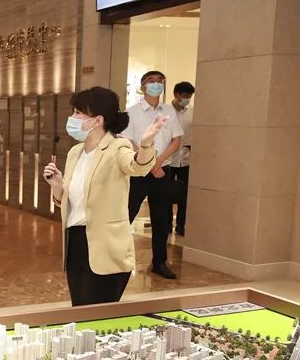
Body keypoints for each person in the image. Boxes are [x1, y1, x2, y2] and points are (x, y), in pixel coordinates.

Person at [43, 87, 165, 306]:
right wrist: (58, 186)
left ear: (97, 120)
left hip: (106, 248)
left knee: (96, 315)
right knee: (79, 310)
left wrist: (146, 144)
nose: (72, 118)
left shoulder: (117, 147)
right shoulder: (75, 153)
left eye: (78, 113)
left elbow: (137, 166)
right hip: (75, 243)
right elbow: (70, 203)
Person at [122, 71, 183, 280]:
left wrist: (158, 162)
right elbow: (128, 142)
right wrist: (148, 164)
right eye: (151, 81)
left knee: (162, 219)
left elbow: (176, 140)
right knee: (126, 215)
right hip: (138, 173)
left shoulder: (169, 111)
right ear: (142, 86)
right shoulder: (132, 112)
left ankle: (159, 262)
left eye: (160, 81)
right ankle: (117, 259)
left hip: (163, 172)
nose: (156, 84)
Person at [168, 81, 195, 237]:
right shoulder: (165, 112)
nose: (187, 100)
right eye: (185, 96)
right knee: (166, 195)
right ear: (176, 94)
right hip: (168, 160)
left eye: (189, 97)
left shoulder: (193, 112)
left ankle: (181, 225)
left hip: (186, 160)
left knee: (185, 196)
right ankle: (166, 224)